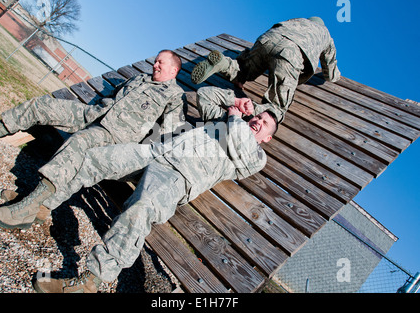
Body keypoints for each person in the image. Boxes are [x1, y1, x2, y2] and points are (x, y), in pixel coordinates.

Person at [26, 86, 278, 293]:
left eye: (264, 123)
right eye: (258, 116)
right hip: (155, 152)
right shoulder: (223, 122)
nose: (257, 121)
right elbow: (205, 95)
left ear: (267, 138)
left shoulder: (256, 156)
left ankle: (90, 281)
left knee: (140, 210)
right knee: (94, 159)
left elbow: (239, 138)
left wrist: (235, 117)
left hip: (176, 177)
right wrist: (234, 100)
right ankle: (39, 205)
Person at [0, 50, 186, 229]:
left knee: (79, 143)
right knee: (43, 105)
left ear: (173, 70)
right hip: (93, 114)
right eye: (156, 60)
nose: (155, 64)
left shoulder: (174, 95)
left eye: (161, 62)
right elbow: (113, 96)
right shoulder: (139, 78)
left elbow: (169, 133)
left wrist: (137, 154)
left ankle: (29, 207)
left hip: (114, 136)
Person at [191, 17, 341, 123]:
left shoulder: (298, 20)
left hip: (268, 39)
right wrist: (333, 75)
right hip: (291, 54)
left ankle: (223, 63)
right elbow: (330, 72)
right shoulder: (326, 35)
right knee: (277, 107)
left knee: (244, 69)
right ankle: (249, 111)